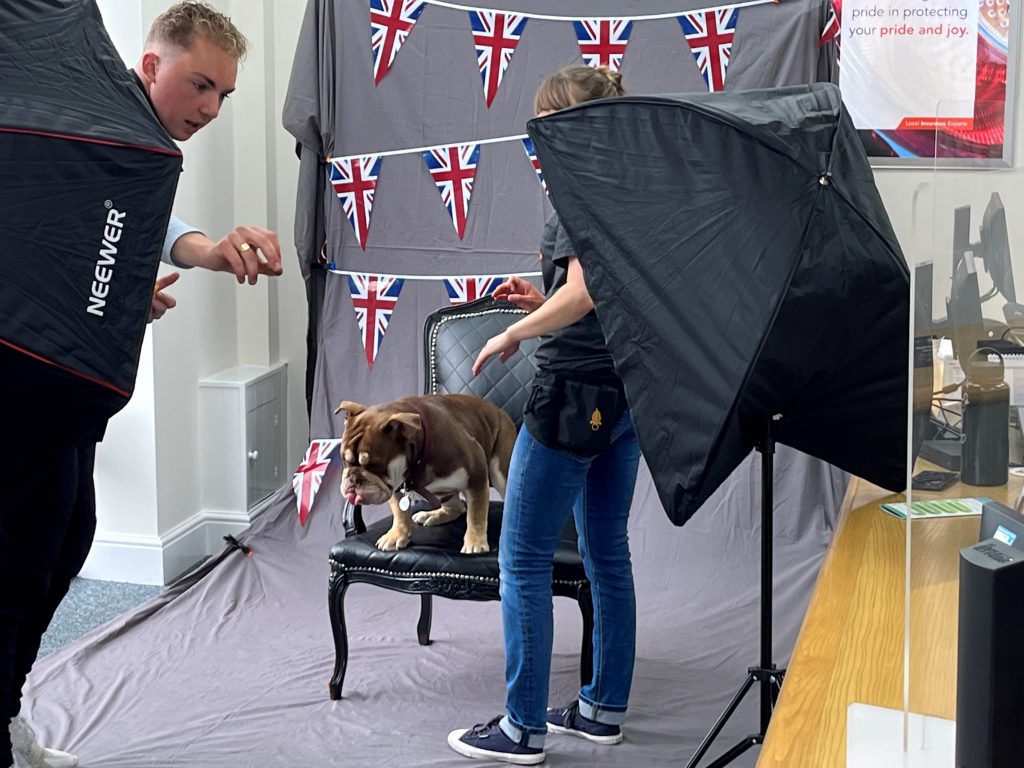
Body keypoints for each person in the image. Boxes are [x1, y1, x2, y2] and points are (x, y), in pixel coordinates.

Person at [2, 4, 282, 767]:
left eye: (224, 95)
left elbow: (134, 227)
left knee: (65, 543)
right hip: (22, 393)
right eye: (201, 85)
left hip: (68, 398)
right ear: (152, 65)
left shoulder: (133, 152)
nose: (211, 109)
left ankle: (6, 710)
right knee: (25, 562)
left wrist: (190, 261)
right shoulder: (82, 120)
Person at [447, 65, 642, 766]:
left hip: (569, 396)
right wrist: (542, 299)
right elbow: (599, 294)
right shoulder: (633, 190)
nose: (537, 144)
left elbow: (584, 295)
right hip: (624, 394)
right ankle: (601, 712)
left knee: (523, 558)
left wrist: (514, 331)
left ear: (569, 129)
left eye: (544, 128)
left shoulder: (574, 190)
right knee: (607, 552)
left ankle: (521, 729)